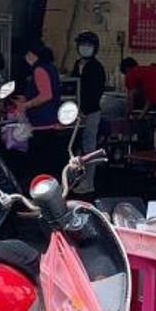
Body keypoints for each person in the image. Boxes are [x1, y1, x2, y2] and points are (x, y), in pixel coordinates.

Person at [15, 43, 67, 184]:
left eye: (27, 55)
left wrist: (26, 104)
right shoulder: (51, 68)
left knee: (38, 167)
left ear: (32, 55)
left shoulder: (39, 70)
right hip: (51, 122)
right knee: (49, 166)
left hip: (42, 124)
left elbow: (46, 95)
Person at [71, 31, 106, 195]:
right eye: (82, 45)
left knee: (89, 148)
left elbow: (96, 92)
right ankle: (75, 180)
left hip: (90, 113)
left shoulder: (97, 67)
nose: (85, 48)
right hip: (76, 114)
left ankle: (88, 183)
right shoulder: (77, 64)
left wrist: (84, 111)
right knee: (76, 147)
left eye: (89, 45)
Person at [120, 57, 156, 128]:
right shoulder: (147, 72)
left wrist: (128, 115)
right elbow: (150, 100)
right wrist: (141, 116)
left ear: (127, 69)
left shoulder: (131, 73)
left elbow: (130, 97)